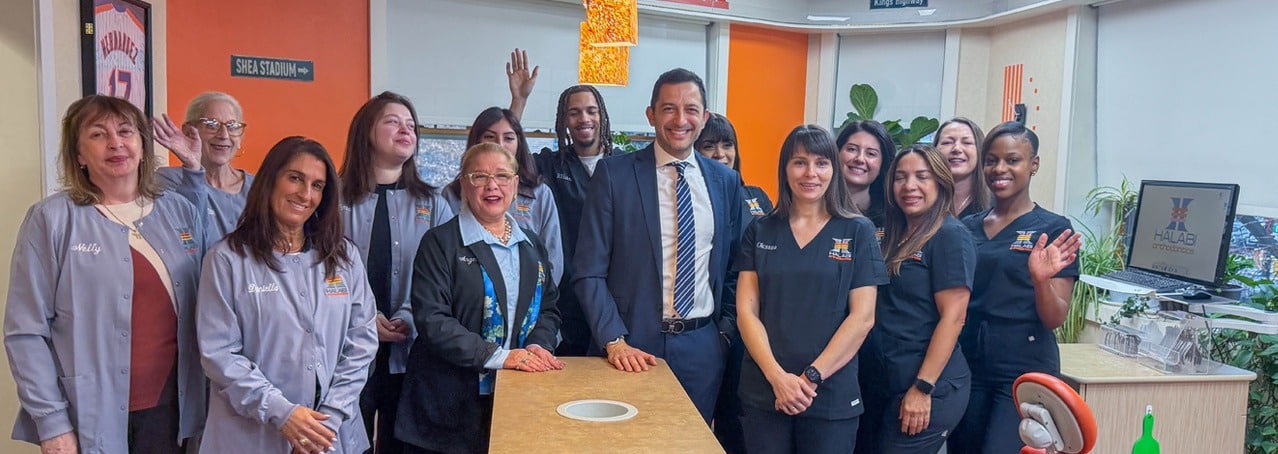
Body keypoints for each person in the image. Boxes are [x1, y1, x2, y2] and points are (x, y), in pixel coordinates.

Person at [5, 95, 207, 452]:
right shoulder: (52, 219)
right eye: (98, 134)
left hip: (171, 414)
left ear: (142, 146)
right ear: (79, 155)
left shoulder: (178, 211)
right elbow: (26, 332)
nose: (115, 143)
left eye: (126, 131)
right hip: (88, 417)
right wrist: (52, 424)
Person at [574, 68, 744, 422]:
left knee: (690, 442)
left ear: (704, 118)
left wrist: (724, 333)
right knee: (626, 443)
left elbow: (735, 267)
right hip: (630, 346)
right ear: (651, 115)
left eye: (691, 109)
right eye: (669, 109)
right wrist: (614, 340)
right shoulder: (614, 175)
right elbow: (588, 271)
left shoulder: (725, 181)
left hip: (702, 348)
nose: (680, 120)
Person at [198, 137, 378, 454]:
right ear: (270, 180)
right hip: (251, 436)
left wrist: (328, 419)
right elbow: (220, 355)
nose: (305, 194)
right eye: (295, 178)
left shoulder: (343, 256)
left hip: (330, 436)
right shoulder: (227, 259)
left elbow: (361, 341)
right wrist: (283, 413)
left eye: (317, 186)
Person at [396, 143, 564, 454]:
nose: (492, 185)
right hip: (447, 406)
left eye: (502, 176)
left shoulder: (531, 245)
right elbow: (433, 320)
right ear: (463, 183)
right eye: (479, 176)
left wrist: (538, 346)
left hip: (515, 397)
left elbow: (549, 308)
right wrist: (500, 356)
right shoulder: (439, 243)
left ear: (515, 184)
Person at [734, 124, 885, 453]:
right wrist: (777, 378)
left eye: (821, 163)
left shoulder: (858, 231)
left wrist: (811, 377)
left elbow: (862, 318)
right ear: (785, 168)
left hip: (830, 395)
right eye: (799, 162)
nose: (810, 173)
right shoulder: (760, 230)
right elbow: (746, 312)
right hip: (765, 390)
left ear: (833, 168)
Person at [949, 122, 1083, 454]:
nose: (1000, 169)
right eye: (991, 161)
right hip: (968, 364)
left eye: (1012, 160)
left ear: (1033, 164)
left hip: (1023, 368)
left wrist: (1040, 280)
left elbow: (1055, 318)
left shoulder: (1053, 229)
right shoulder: (966, 227)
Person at [339, 91, 452, 454]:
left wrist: (408, 314)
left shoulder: (434, 203)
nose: (406, 130)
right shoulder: (334, 200)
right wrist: (364, 317)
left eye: (411, 125)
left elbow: (446, 278)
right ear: (366, 132)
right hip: (346, 348)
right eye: (393, 121)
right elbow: (317, 273)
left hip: (413, 349)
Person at [858, 145, 974, 453]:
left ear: (940, 182)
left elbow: (954, 317)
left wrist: (923, 388)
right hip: (888, 381)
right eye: (900, 177)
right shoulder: (894, 234)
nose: (909, 186)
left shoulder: (950, 235)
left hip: (928, 386)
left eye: (922, 177)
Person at [694, 111, 771, 453]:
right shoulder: (695, 198)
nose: (720, 153)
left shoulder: (757, 197)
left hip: (751, 325)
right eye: (709, 145)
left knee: (738, 418)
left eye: (727, 145)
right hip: (707, 325)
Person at [532, 83, 617, 356]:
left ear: (602, 115)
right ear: (563, 121)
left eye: (591, 111)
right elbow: (504, 160)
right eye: (574, 112)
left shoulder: (624, 167)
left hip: (614, 299)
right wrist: (519, 101)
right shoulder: (550, 164)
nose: (584, 118)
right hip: (566, 298)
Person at [444, 107, 563, 284]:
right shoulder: (453, 194)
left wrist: (537, 297)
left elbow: (552, 260)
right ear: (476, 141)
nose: (500, 144)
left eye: (508, 138)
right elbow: (443, 257)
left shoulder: (540, 194)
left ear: (519, 143)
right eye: (490, 137)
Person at [153, 91, 256, 239]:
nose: (224, 135)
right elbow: (189, 238)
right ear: (189, 132)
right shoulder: (168, 180)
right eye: (211, 125)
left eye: (232, 126)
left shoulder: (259, 188)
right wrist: (193, 169)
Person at [836, 120, 897, 226]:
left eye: (871, 154)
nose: (860, 159)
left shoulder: (893, 217)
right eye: (852, 149)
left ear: (883, 164)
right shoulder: (815, 206)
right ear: (837, 152)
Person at [934, 117, 991, 218]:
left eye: (967, 143)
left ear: (980, 151)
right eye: (948, 142)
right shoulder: (919, 199)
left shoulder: (997, 204)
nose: (957, 149)